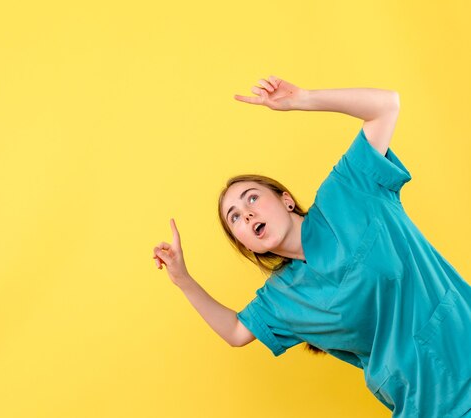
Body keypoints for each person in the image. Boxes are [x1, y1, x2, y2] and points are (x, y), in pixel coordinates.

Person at [152, 75, 471, 418]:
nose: (247, 214)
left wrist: (302, 99)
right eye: (235, 218)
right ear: (245, 243)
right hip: (423, 406)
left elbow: (386, 106)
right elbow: (235, 332)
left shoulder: (348, 192)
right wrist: (183, 278)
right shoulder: (283, 297)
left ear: (286, 200)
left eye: (252, 198)